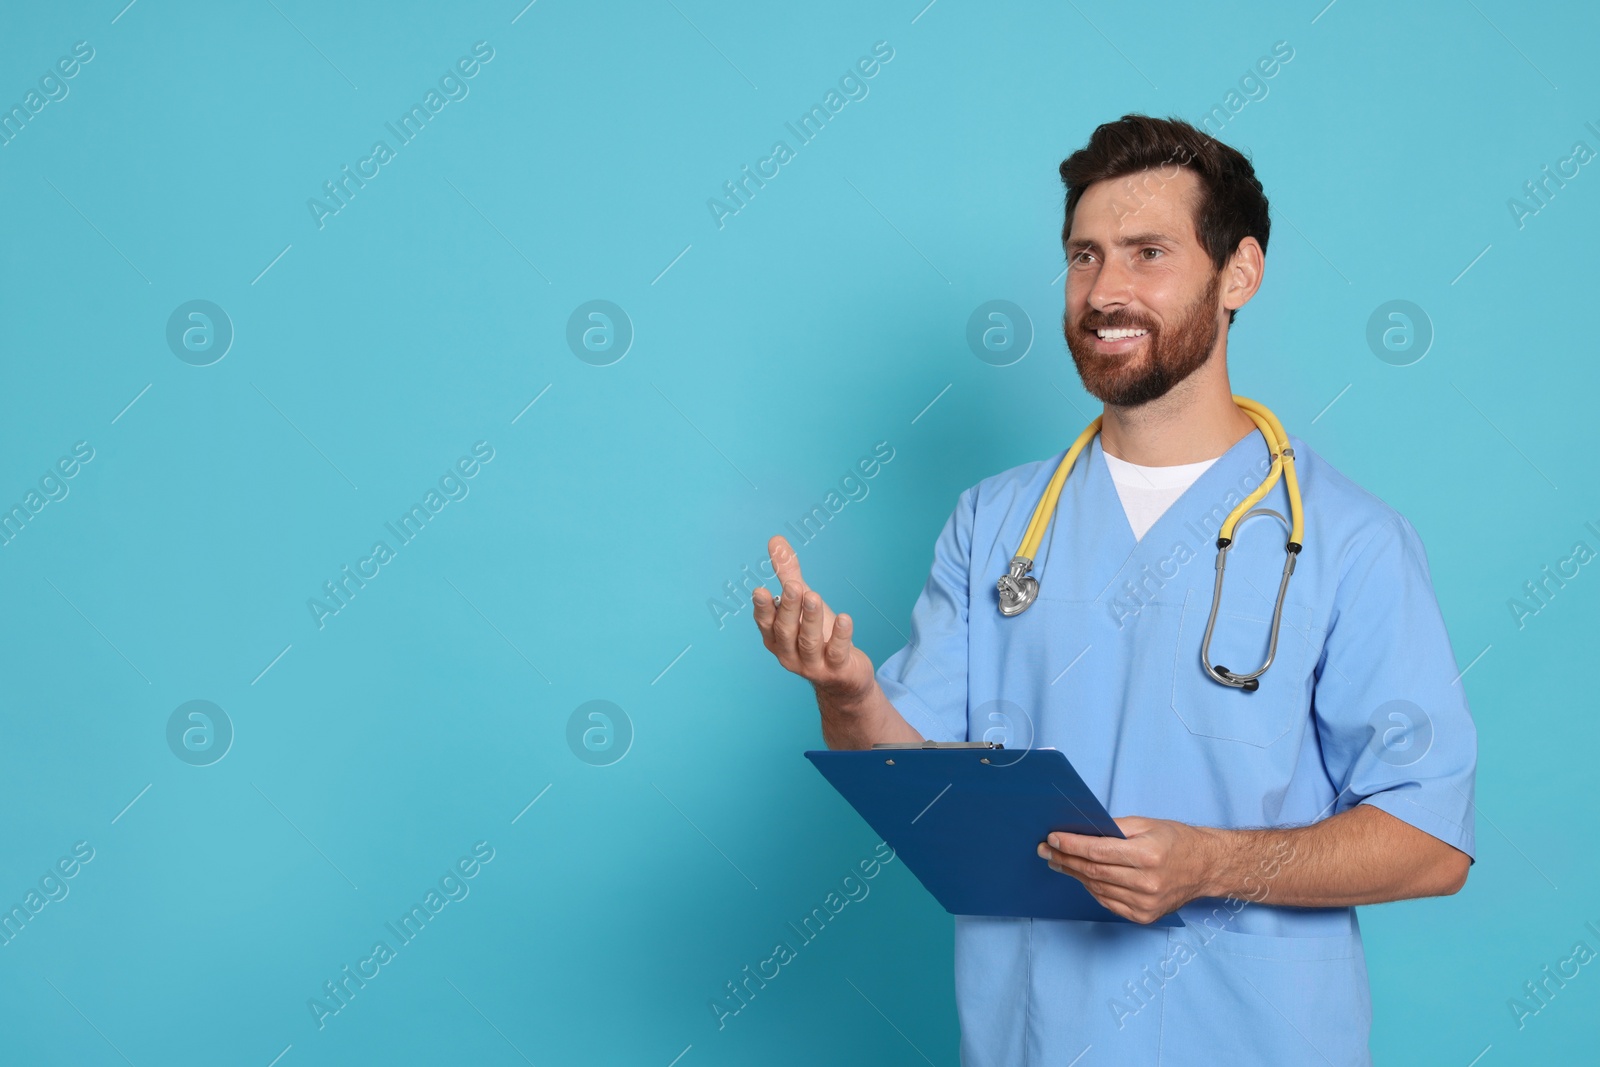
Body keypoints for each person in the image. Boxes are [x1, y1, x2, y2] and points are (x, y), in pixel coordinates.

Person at [752, 113, 1477, 1066]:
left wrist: (1214, 864)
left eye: (1148, 253)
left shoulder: (1350, 541)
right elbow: (914, 778)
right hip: (1032, 1040)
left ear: (1240, 275)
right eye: (1084, 256)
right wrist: (845, 694)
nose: (1105, 291)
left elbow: (1431, 841)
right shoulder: (996, 523)